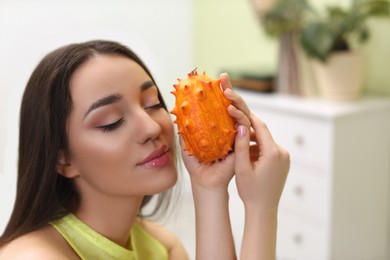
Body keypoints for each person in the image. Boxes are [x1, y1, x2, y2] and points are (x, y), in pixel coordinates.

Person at [0, 40, 289, 260]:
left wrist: (210, 189)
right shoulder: (31, 256)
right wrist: (262, 210)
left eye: (153, 104)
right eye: (111, 122)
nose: (152, 127)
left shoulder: (161, 245)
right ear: (61, 159)